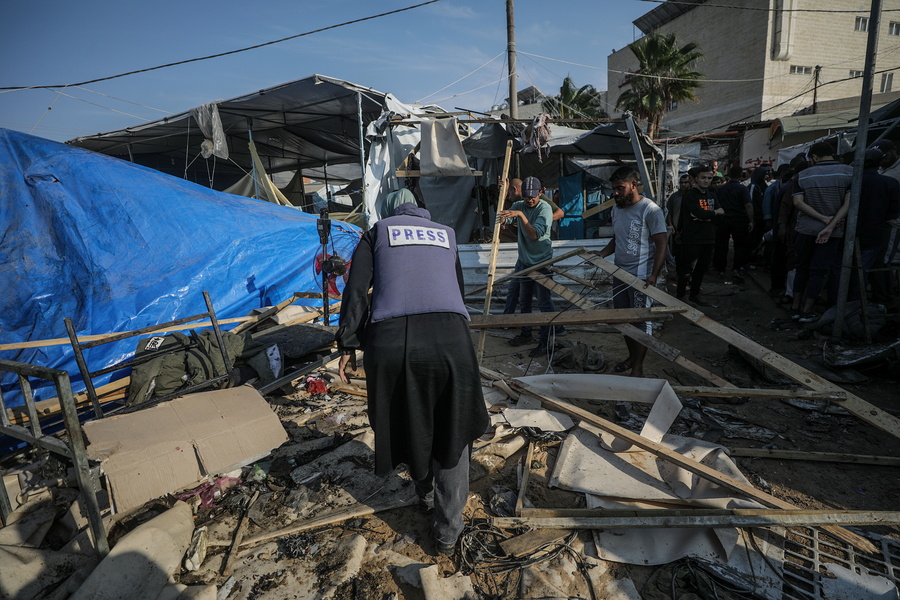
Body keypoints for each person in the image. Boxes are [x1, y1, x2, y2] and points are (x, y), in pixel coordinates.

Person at [335, 201, 489, 556]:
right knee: (453, 427)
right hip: (452, 339)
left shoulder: (376, 233)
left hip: (391, 341)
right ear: (425, 217)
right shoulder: (446, 235)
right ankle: (448, 532)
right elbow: (458, 293)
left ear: (391, 212)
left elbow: (357, 290)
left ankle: (426, 494)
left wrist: (347, 344)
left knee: (408, 419)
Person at [590, 166, 667, 377]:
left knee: (640, 321)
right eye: (613, 189)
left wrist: (654, 275)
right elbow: (618, 238)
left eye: (620, 188)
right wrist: (603, 254)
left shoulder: (650, 210)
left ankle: (638, 367)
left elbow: (661, 244)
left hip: (642, 277)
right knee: (623, 319)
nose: (615, 193)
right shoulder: (616, 210)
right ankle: (632, 357)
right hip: (620, 274)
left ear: (634, 185)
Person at [790, 141, 852, 323]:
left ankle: (795, 308)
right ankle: (807, 311)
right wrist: (830, 223)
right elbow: (849, 204)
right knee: (819, 271)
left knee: (801, 268)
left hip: (805, 229)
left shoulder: (802, 175)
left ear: (814, 157)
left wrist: (821, 218)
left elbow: (798, 203)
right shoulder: (849, 172)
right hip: (832, 232)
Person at [499, 176, 559, 357]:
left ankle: (545, 341)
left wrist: (520, 216)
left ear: (541, 192)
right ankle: (526, 333)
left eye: (533, 196)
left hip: (542, 263)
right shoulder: (519, 206)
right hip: (525, 261)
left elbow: (534, 235)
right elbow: (503, 218)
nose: (529, 200)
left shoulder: (545, 209)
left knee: (544, 303)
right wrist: (503, 212)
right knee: (524, 301)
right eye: (526, 197)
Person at [856, 148, 900, 303]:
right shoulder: (889, 183)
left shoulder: (853, 181)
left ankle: (854, 300)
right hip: (879, 232)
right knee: (878, 265)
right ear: (880, 162)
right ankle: (881, 298)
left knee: (855, 268)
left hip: (852, 232)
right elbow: (894, 212)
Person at [677, 165, 724, 304]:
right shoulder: (690, 195)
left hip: (708, 237)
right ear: (696, 179)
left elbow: (721, 215)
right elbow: (700, 213)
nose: (706, 181)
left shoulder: (712, 195)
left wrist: (708, 216)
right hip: (692, 237)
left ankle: (694, 295)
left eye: (709, 178)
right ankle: (681, 295)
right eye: (703, 177)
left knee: (702, 268)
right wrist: (713, 213)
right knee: (687, 269)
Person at [712, 165, 753, 282]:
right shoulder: (742, 189)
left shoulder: (721, 189)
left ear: (729, 175)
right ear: (741, 175)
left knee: (722, 246)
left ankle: (721, 269)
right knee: (739, 246)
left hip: (723, 219)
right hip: (739, 220)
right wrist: (751, 220)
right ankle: (736, 268)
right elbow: (748, 205)